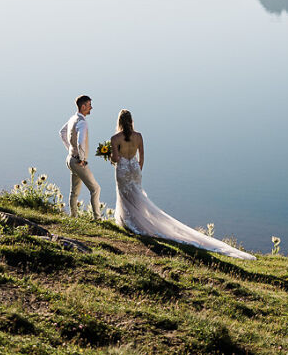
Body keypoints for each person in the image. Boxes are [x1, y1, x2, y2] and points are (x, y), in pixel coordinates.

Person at [109, 108, 253, 259]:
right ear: (131, 121)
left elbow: (115, 159)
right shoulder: (138, 136)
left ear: (119, 122)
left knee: (125, 195)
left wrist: (110, 154)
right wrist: (139, 170)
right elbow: (142, 156)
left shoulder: (115, 138)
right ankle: (136, 221)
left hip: (123, 170)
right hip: (135, 169)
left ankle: (130, 222)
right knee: (137, 196)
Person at [59, 94, 101, 219]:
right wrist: (82, 158)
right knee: (95, 189)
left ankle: (73, 216)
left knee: (74, 191)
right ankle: (97, 218)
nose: (91, 108)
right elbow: (80, 141)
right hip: (78, 162)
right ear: (83, 106)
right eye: (89, 105)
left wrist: (70, 149)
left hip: (70, 159)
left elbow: (62, 132)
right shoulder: (82, 123)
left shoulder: (73, 118)